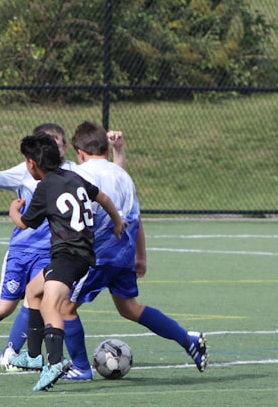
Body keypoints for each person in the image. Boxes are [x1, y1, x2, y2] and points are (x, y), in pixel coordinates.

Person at [0, 125, 127, 368]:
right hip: (24, 249)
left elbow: (110, 176)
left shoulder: (69, 172)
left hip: (55, 251)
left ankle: (26, 356)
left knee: (42, 303)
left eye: (57, 142)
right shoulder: (28, 172)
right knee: (11, 303)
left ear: (63, 148)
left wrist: (118, 150)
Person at [58, 120, 208, 380]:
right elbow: (136, 218)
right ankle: (187, 339)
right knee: (129, 308)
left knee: (63, 307)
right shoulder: (123, 176)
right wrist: (141, 255)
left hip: (99, 256)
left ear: (79, 152)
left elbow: (84, 218)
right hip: (124, 253)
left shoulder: (83, 175)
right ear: (106, 148)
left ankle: (81, 367)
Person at [7, 132, 127, 392]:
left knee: (52, 305)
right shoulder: (73, 177)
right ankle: (34, 355)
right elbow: (103, 198)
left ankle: (54, 362)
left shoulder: (45, 187)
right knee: (33, 291)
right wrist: (117, 222)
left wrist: (13, 210)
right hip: (74, 253)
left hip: (69, 255)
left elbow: (26, 223)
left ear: (31, 163)